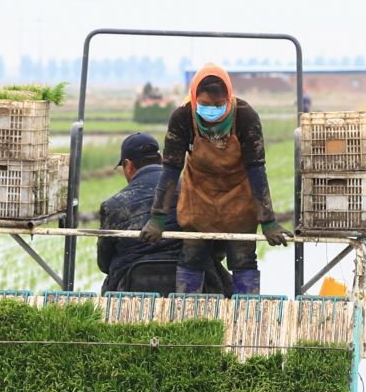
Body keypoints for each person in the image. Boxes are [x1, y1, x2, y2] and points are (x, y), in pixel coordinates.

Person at [143, 64, 286, 295]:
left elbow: (257, 169)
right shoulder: (183, 117)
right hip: (198, 196)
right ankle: (187, 310)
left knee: (243, 259)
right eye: (205, 105)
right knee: (192, 255)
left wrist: (268, 221)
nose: (212, 111)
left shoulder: (245, 116)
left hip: (239, 196)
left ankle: (247, 312)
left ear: (228, 99)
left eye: (218, 106)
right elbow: (170, 168)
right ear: (194, 99)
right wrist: (157, 217)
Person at [96, 134, 183, 295]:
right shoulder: (190, 192)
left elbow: (104, 263)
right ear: (161, 159)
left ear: (128, 165)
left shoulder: (114, 206)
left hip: (131, 291)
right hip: (189, 287)